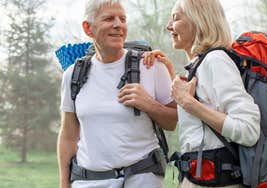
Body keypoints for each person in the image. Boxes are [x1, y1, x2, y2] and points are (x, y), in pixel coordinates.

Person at [57, 0, 177, 188]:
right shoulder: (72, 75)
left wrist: (149, 104)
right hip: (88, 181)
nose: (118, 25)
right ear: (88, 28)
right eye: (108, 19)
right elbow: (68, 136)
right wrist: (64, 184)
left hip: (142, 178)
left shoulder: (151, 66)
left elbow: (173, 122)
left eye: (122, 19)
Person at [143, 0, 261, 187]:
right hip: (198, 178)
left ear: (199, 20)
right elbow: (201, 129)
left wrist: (190, 104)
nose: (168, 26)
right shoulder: (201, 64)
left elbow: (249, 129)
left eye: (175, 18)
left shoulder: (216, 60)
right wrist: (171, 73)